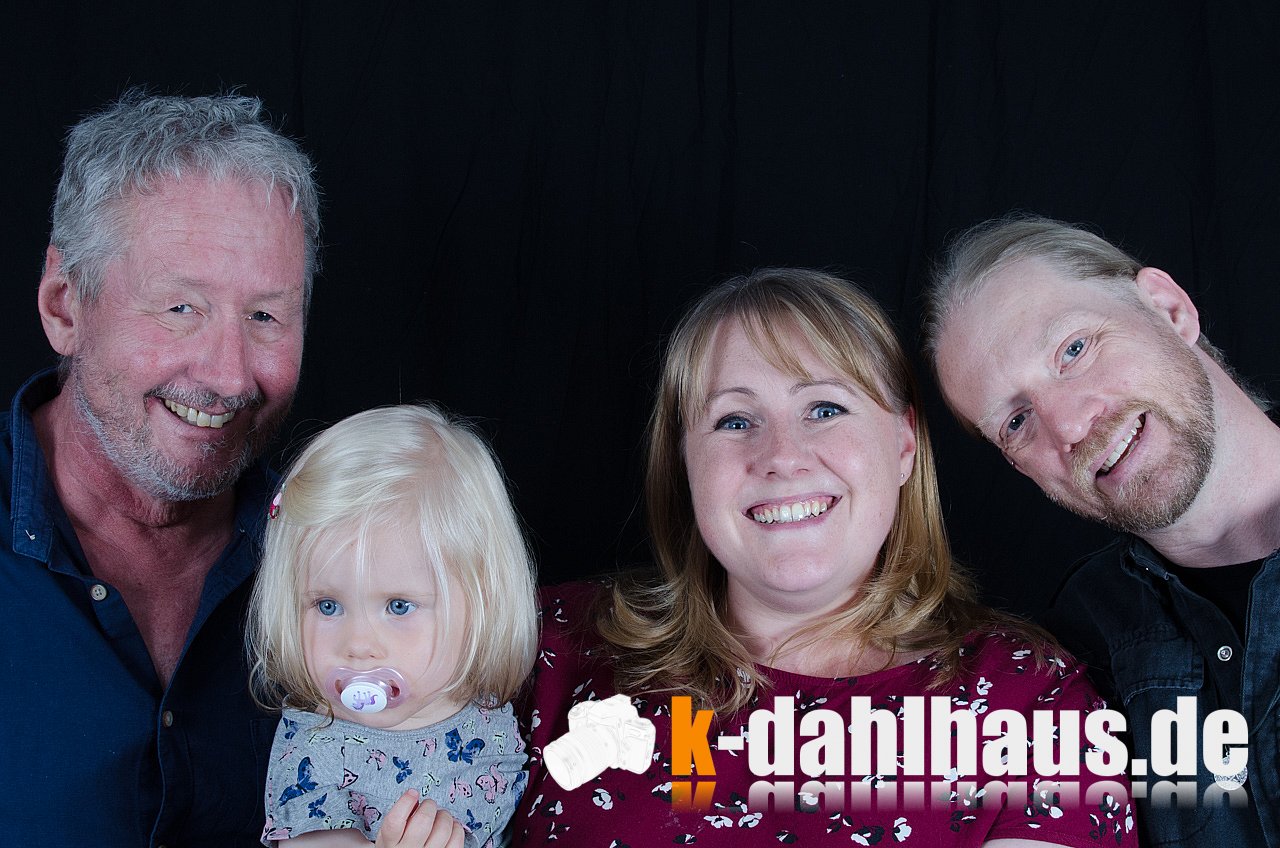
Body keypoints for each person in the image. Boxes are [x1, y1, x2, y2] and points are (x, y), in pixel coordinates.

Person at [514, 268, 1136, 846]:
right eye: (734, 421)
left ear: (903, 445)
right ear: (684, 462)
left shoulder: (1030, 702)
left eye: (824, 409)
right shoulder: (538, 646)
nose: (782, 457)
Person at [0, 90, 319, 846]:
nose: (229, 376)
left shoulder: (344, 560)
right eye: (180, 308)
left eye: (265, 316)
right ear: (64, 307)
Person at [923, 214, 1280, 847]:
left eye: (1074, 350)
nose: (1068, 426)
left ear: (1169, 309)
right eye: (1016, 422)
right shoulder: (1074, 653)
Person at [248, 405, 538, 847]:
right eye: (327, 606)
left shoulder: (490, 719)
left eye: (399, 607)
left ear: (481, 600)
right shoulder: (317, 752)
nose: (358, 644)